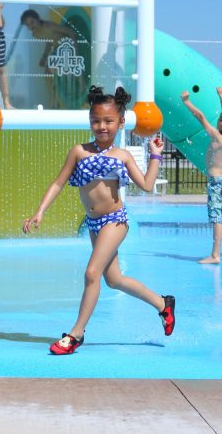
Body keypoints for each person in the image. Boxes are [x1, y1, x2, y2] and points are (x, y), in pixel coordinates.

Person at [23, 85, 176, 356]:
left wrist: (154, 155)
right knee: (114, 280)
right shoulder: (79, 152)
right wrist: (40, 211)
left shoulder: (123, 156)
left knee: (91, 273)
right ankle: (163, 304)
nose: (102, 126)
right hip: (94, 223)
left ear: (121, 122)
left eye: (108, 121)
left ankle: (76, 334)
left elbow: (147, 185)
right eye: (96, 121)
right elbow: (58, 183)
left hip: (115, 221)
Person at [181, 87, 222, 263]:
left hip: (217, 182)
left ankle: (215, 255)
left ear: (220, 124)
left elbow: (201, 117)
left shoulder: (217, 136)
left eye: (219, 119)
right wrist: (221, 96)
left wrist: (187, 102)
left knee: (217, 216)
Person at [20, 9, 79, 109]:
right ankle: (54, 101)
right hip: (58, 50)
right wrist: (45, 56)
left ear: (38, 19)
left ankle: (57, 101)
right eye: (27, 25)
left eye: (32, 22)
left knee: (73, 74)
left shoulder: (48, 26)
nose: (31, 26)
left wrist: (75, 52)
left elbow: (70, 32)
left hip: (68, 47)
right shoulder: (36, 34)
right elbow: (50, 40)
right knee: (48, 74)